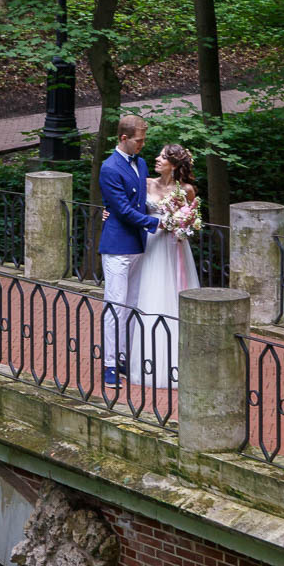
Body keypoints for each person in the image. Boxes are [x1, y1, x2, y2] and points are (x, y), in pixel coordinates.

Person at [130, 142, 200, 390]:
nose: (157, 159)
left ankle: (176, 363)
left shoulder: (186, 190)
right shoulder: (146, 183)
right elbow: (128, 206)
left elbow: (190, 218)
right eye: (159, 156)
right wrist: (109, 212)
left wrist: (182, 225)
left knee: (171, 295)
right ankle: (145, 360)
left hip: (172, 247)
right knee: (147, 294)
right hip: (149, 244)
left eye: (163, 157)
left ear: (175, 165)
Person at [97, 113, 158, 387]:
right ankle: (109, 364)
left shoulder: (141, 163)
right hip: (118, 246)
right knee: (115, 305)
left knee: (132, 304)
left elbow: (142, 200)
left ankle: (123, 357)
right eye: (139, 141)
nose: (142, 145)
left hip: (138, 244)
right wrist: (156, 223)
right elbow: (122, 209)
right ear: (124, 138)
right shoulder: (109, 167)